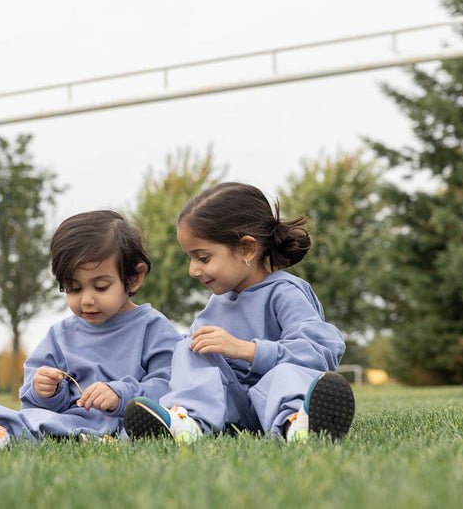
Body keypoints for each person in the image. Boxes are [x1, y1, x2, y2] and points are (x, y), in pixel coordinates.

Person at [123, 182, 355, 443]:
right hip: (230, 410)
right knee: (190, 348)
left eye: (203, 257)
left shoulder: (285, 292)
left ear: (246, 249)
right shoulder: (213, 306)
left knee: (285, 373)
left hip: (274, 403)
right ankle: (187, 425)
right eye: (190, 258)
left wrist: (248, 351)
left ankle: (299, 427)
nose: (193, 270)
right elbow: (187, 377)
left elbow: (320, 350)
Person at [0, 210, 182, 450]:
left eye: (101, 287)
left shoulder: (153, 328)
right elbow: (35, 401)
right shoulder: (61, 335)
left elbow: (170, 385)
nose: (86, 299)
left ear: (133, 278)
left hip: (126, 425)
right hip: (70, 422)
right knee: (28, 420)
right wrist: (45, 391)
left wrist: (121, 394)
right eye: (73, 289)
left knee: (147, 430)